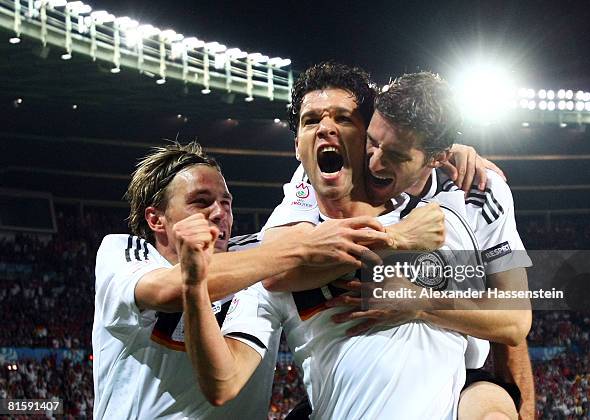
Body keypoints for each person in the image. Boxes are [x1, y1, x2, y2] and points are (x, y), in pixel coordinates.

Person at [179, 62, 492, 419]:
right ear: (297, 146)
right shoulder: (278, 252)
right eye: (311, 121)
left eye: (344, 119)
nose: (326, 127)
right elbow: (222, 383)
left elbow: (505, 329)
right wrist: (193, 287)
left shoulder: (440, 216)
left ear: (369, 138)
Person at [269, 72, 533, 419]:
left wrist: (420, 303)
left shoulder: (479, 194)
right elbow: (277, 267)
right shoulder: (323, 174)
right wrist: (393, 241)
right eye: (372, 142)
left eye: (395, 155)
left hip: (459, 371)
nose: (375, 162)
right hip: (342, 382)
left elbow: (514, 320)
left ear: (437, 157)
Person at [92, 141, 397, 419]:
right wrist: (300, 248)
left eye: (226, 202)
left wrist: (402, 239)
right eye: (201, 201)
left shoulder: (257, 257)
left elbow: (337, 249)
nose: (219, 213)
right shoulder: (124, 253)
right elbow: (170, 289)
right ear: (156, 219)